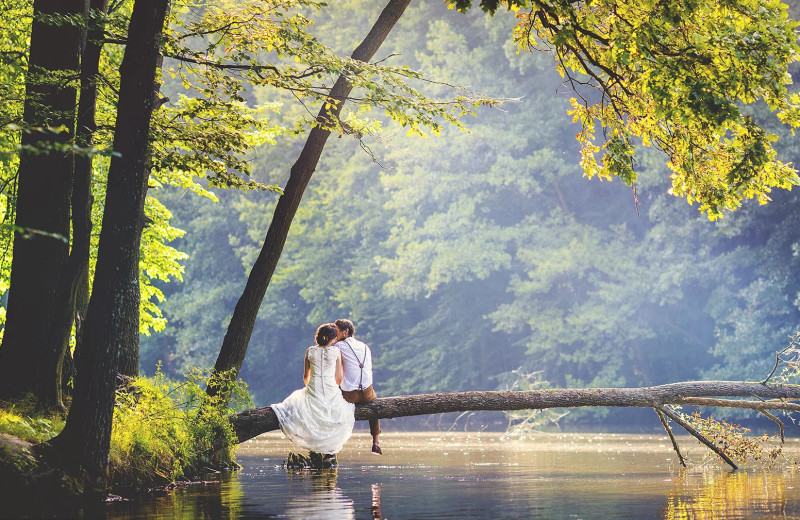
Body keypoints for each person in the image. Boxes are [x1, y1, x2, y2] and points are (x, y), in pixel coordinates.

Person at [271, 323, 355, 457]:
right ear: (332, 339)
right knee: (337, 413)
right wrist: (333, 388)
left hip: (313, 386)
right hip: (330, 387)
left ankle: (316, 448)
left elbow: (305, 377)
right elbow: (338, 377)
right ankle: (329, 451)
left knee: (308, 409)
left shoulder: (310, 351)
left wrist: (311, 388)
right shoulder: (335, 351)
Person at [334, 318, 382, 455]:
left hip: (350, 395)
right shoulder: (365, 346)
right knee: (374, 406)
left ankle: (331, 448)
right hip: (367, 393)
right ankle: (376, 442)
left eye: (336, 332)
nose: (334, 335)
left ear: (345, 332)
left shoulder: (338, 347)